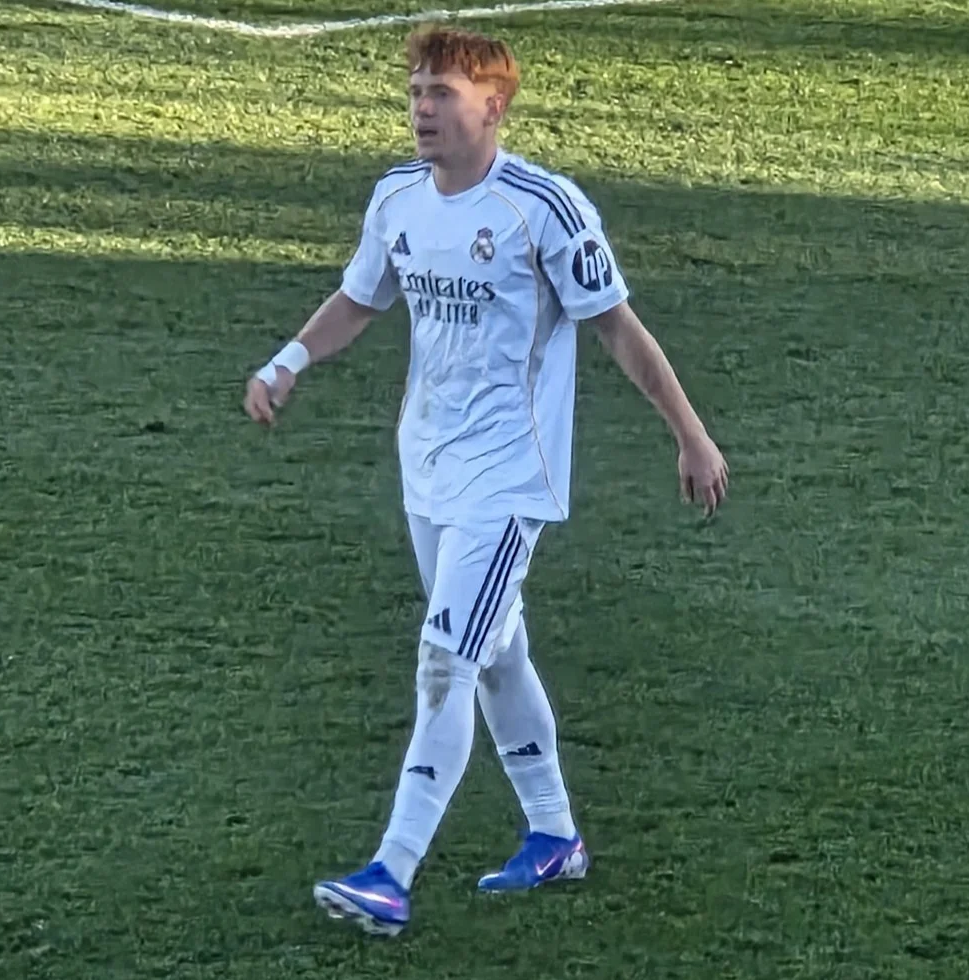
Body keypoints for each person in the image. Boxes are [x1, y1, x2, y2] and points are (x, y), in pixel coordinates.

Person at [244, 24, 729, 937]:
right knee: (492, 643)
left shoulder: (543, 208)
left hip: (509, 479)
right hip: (424, 466)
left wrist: (690, 438)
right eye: (417, 93)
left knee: (446, 656)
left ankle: (391, 870)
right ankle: (554, 834)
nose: (422, 111)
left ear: (493, 106)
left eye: (441, 95)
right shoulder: (396, 198)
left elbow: (617, 328)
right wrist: (287, 362)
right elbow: (361, 297)